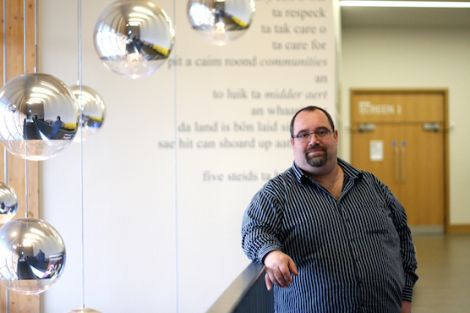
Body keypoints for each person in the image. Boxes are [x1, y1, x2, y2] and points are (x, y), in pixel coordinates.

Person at [241, 106, 418, 313]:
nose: (313, 140)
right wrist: (271, 254)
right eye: (303, 134)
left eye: (321, 131)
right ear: (293, 143)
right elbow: (253, 230)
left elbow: (403, 236)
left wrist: (406, 297)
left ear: (335, 136)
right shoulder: (277, 193)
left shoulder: (371, 185)